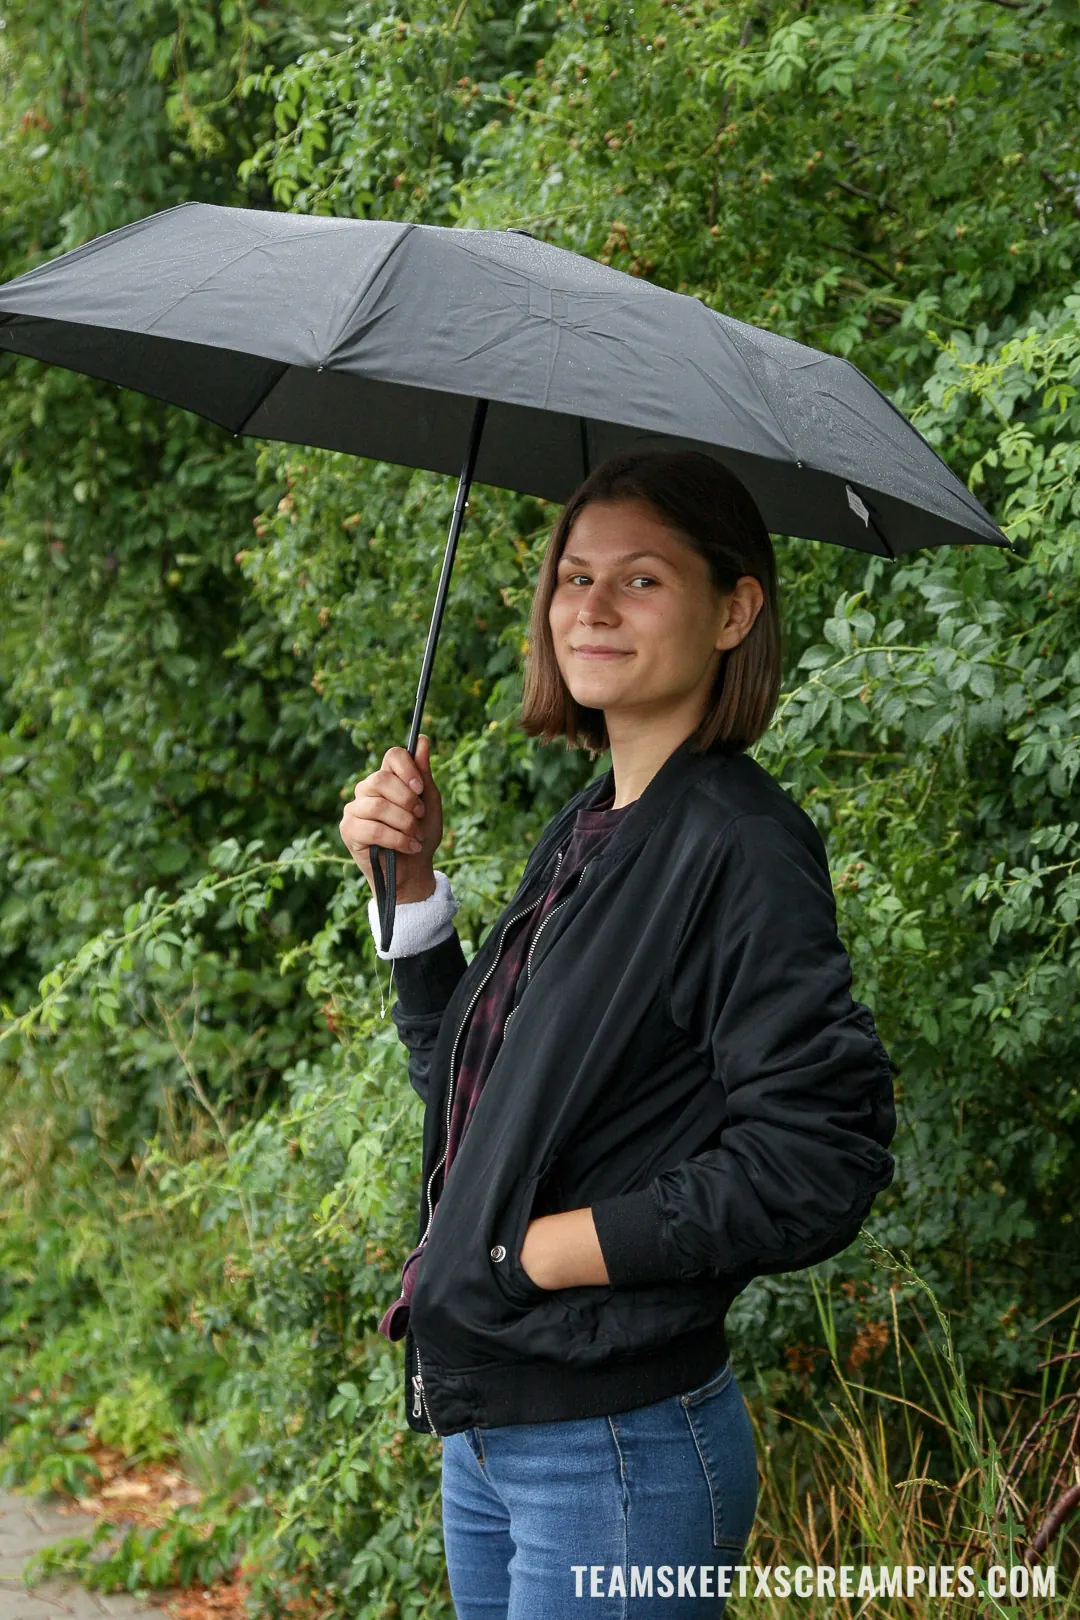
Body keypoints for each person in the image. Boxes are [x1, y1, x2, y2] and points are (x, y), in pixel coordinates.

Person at [339, 447, 898, 1617]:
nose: (589, 607)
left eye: (640, 580)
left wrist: (538, 1254)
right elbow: (477, 1102)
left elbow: (817, 1160)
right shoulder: (595, 826)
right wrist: (416, 890)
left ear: (735, 608)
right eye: (574, 576)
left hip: (617, 1456)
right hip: (494, 1438)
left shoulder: (738, 845)